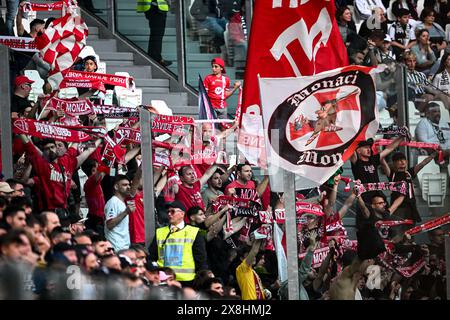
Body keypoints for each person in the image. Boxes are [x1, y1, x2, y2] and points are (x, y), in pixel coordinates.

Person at [148, 201, 208, 286]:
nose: (169, 214)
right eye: (168, 212)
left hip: (187, 281)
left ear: (182, 214)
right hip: (164, 280)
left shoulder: (194, 232)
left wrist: (201, 280)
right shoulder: (160, 232)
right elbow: (152, 256)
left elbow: (201, 259)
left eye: (172, 211)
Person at [386, 151, 437, 222]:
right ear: (394, 163)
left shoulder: (409, 173)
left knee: (411, 230)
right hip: (399, 207)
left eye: (404, 160)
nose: (402, 162)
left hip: (411, 206)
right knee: (398, 229)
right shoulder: (392, 175)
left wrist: (433, 155)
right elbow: (383, 163)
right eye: (399, 160)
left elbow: (423, 163)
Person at [350, 136, 403, 203]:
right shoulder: (356, 161)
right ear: (358, 150)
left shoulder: (373, 160)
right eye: (366, 147)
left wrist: (402, 137)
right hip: (365, 196)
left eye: (369, 147)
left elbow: (390, 148)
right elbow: (350, 148)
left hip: (378, 194)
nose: (369, 149)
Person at [278, 231, 318, 300]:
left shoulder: (301, 286)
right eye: (310, 270)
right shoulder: (289, 286)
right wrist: (311, 248)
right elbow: (303, 271)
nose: (314, 271)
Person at [104, 175, 136, 252]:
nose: (128, 187)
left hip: (123, 247)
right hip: (116, 247)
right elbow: (109, 224)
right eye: (124, 185)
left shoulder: (121, 202)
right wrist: (125, 212)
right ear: (116, 187)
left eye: (129, 185)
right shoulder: (113, 202)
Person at [136, 0, 172, 67]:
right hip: (155, 7)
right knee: (157, 34)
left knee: (156, 34)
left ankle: (154, 57)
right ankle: (156, 58)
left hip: (156, 7)